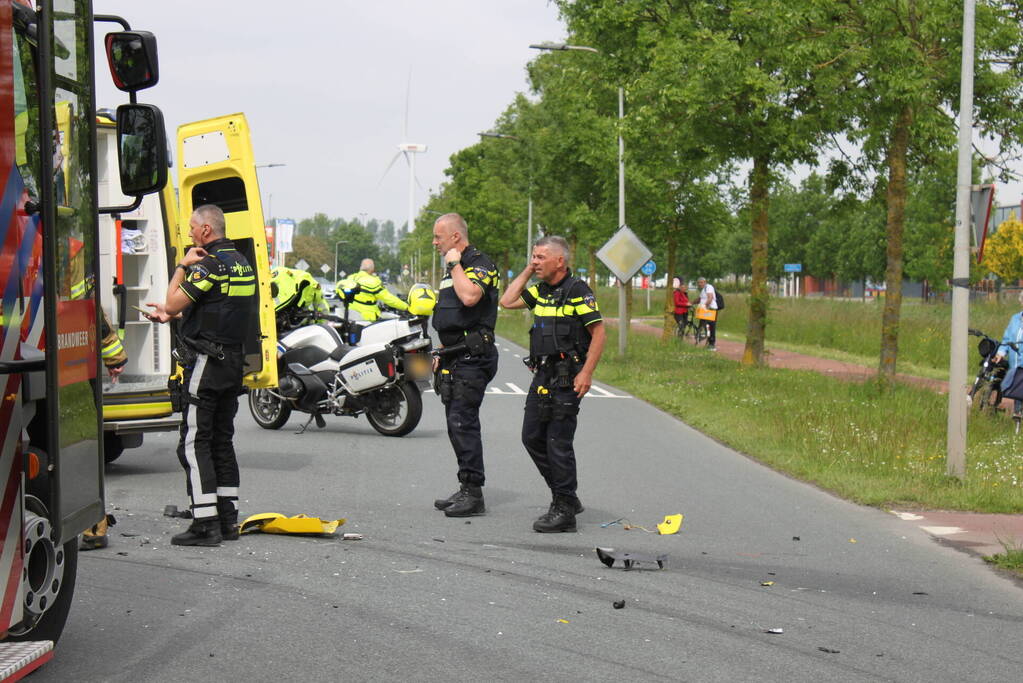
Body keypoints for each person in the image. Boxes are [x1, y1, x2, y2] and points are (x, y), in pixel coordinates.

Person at [145, 204, 255, 546]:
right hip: (233, 361)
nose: (190, 234)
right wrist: (174, 316)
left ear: (206, 231)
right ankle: (227, 520)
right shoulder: (242, 263)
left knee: (193, 442)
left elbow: (173, 301)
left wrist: (181, 265)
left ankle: (204, 523)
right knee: (222, 439)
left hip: (207, 362)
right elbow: (218, 309)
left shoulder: (209, 264)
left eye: (193, 228)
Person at [500, 236, 606, 533]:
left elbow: (599, 334)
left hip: (568, 375)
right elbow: (507, 301)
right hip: (543, 374)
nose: (536, 261)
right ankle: (567, 497)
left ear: (560, 261)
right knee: (531, 436)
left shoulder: (577, 291)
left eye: (541, 257)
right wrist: (526, 270)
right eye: (533, 256)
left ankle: (564, 509)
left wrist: (586, 373)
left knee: (558, 441)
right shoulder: (540, 291)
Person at [430, 214, 500, 517]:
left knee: (463, 422)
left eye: (438, 237)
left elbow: (470, 297)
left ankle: (474, 494)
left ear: (456, 237)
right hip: (454, 356)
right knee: (454, 424)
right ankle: (465, 487)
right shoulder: (453, 269)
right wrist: (441, 353)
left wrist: (455, 264)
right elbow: (452, 316)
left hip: (474, 358)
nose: (435, 243)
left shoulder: (480, 264)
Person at [335, 258, 408, 321]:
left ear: (361, 268)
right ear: (372, 270)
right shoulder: (373, 281)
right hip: (368, 319)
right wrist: (406, 307)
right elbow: (389, 299)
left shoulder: (351, 278)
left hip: (351, 316)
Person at [994, 291, 1023, 418]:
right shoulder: (1015, 318)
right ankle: (1017, 421)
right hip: (1015, 365)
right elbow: (1006, 339)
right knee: (1018, 392)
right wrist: (1000, 352)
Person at [696, 277, 718, 351]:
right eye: (699, 283)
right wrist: (691, 303)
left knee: (710, 327)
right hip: (704, 310)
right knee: (702, 325)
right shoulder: (703, 290)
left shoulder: (709, 287)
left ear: (705, 282)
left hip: (710, 309)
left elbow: (710, 298)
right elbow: (699, 299)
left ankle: (712, 344)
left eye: (701, 282)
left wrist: (704, 305)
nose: (700, 284)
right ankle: (702, 339)